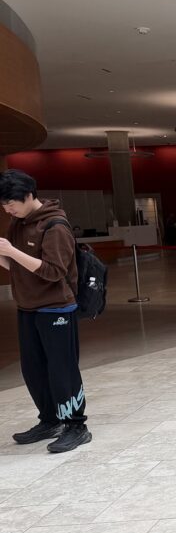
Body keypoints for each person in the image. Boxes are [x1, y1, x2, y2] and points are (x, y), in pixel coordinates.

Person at [0, 169, 91, 453]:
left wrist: (12, 252)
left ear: (29, 195)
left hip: (56, 308)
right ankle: (50, 419)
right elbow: (18, 268)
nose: (8, 208)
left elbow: (53, 272)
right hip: (28, 307)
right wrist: (5, 256)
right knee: (34, 369)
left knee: (62, 369)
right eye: (3, 205)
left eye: (11, 202)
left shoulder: (55, 225)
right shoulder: (18, 223)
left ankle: (76, 425)